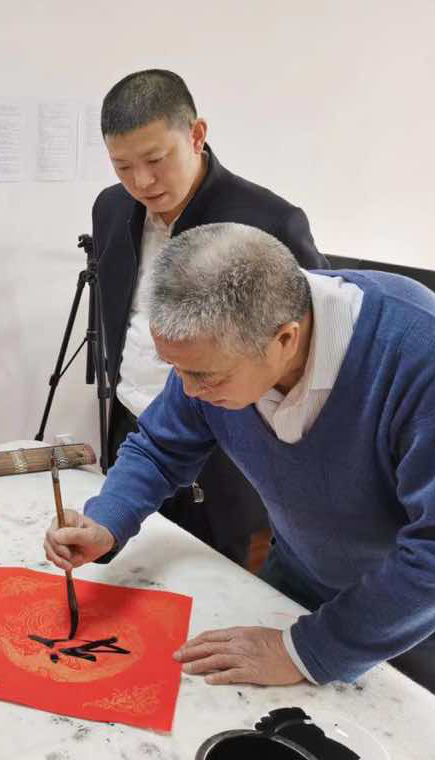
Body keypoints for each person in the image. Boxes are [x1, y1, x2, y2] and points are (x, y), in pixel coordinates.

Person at [45, 223, 435, 729]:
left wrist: (309, 650)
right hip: (305, 569)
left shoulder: (422, 353)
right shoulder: (221, 346)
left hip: (431, 608)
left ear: (284, 339)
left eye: (203, 377)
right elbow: (161, 442)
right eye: (176, 370)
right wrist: (107, 520)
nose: (188, 390)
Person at [94, 69, 329, 566]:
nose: (141, 182)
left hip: (225, 442)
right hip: (136, 428)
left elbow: (315, 339)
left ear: (197, 135)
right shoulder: (111, 208)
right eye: (122, 167)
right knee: (126, 565)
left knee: (211, 571)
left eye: (156, 160)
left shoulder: (268, 221)